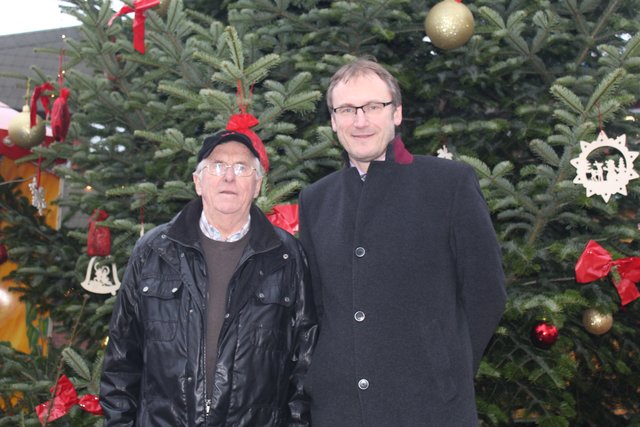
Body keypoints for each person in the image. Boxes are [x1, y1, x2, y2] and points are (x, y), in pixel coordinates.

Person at [298, 57, 507, 426]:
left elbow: (485, 292)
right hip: (339, 409)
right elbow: (316, 306)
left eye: (373, 107)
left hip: (430, 407)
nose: (360, 120)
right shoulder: (316, 199)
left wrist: (446, 369)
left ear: (396, 114)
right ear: (333, 121)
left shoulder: (449, 184)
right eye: (346, 109)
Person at [100, 112, 318, 426]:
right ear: (198, 182)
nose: (229, 177)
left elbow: (304, 365)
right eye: (217, 166)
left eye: (241, 168)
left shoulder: (286, 256)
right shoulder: (153, 251)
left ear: (257, 185)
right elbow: (121, 361)